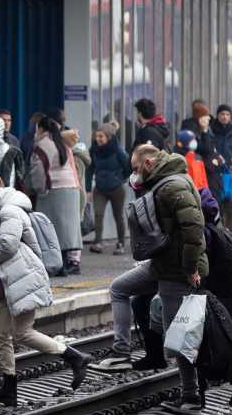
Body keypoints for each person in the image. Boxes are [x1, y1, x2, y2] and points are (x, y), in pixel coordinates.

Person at [0, 173, 90, 407]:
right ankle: (9, 388)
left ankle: (75, 357)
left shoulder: (9, 210)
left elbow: (9, 245)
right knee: (1, 333)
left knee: (22, 332)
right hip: (11, 278)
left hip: (24, 276)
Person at [102, 144, 207, 375]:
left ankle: (190, 396)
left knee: (178, 337)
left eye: (136, 168)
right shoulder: (164, 183)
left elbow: (193, 231)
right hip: (163, 263)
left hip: (176, 269)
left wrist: (190, 269)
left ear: (149, 163)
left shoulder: (172, 186)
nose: (134, 174)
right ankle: (122, 352)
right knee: (120, 288)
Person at [28, 117, 83, 275]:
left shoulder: (42, 145)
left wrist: (39, 189)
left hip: (54, 190)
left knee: (50, 229)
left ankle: (57, 265)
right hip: (71, 189)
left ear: (40, 129)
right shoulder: (63, 142)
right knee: (68, 230)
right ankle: (68, 262)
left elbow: (38, 172)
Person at [88, 125, 130, 255]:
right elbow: (89, 170)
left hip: (116, 188)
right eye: (97, 136)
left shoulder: (118, 151)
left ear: (109, 137)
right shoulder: (94, 150)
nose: (98, 139)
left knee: (118, 216)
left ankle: (121, 243)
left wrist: (120, 178)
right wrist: (88, 189)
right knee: (98, 214)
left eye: (101, 136)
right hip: (100, 188)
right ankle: (98, 242)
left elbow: (128, 167)